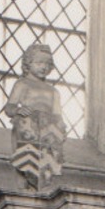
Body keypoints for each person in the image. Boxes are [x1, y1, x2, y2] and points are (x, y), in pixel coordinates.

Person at [5, 42, 65, 187]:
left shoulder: (53, 91)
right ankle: (26, 188)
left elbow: (57, 114)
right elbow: (9, 107)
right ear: (28, 64)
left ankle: (42, 188)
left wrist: (61, 127)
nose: (43, 67)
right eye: (39, 63)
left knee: (46, 166)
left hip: (48, 130)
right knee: (26, 164)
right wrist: (18, 110)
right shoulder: (22, 84)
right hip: (28, 127)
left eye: (47, 64)